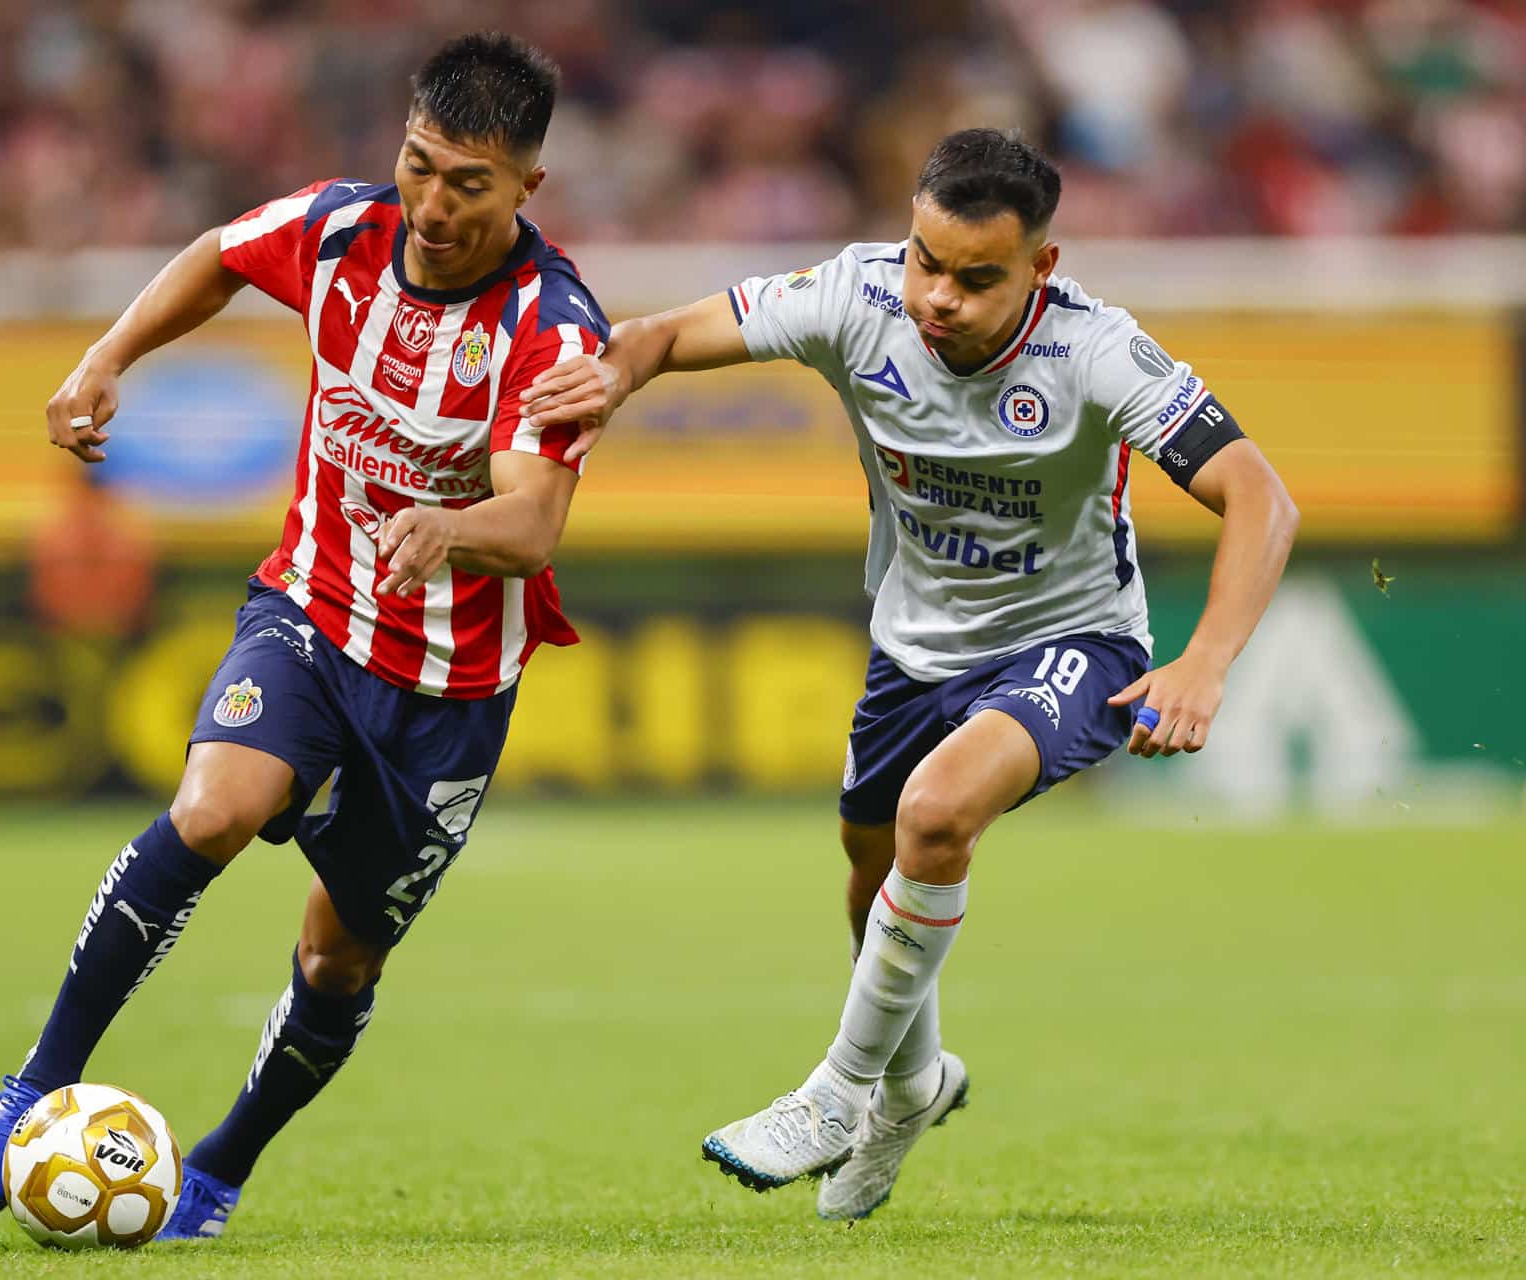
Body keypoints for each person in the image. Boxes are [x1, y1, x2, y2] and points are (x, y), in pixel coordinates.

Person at [520, 128, 1299, 1221]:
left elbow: (1262, 496)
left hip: (1069, 640)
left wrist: (1206, 660)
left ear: (1044, 268)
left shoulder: (1099, 354)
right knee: (872, 865)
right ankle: (914, 1082)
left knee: (937, 817)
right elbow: (656, 334)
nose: (939, 296)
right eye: (927, 260)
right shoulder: (857, 296)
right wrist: (610, 377)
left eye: (978, 277)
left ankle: (840, 1095)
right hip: (911, 649)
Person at [0, 32, 609, 1241]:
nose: (433, 203)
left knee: (339, 957)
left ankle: (217, 1166)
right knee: (213, 808)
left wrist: (452, 524)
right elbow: (217, 254)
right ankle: (28, 1087)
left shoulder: (553, 330)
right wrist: (108, 356)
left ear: (529, 189)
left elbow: (533, 521)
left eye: (470, 183)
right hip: (309, 610)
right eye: (419, 165)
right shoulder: (342, 231)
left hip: (448, 691)